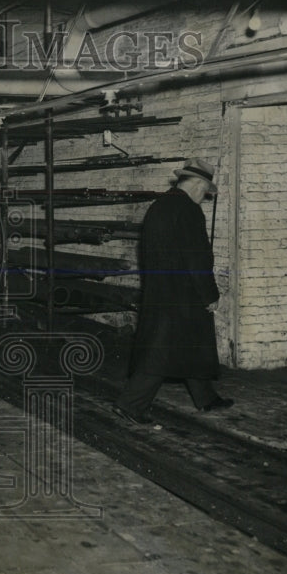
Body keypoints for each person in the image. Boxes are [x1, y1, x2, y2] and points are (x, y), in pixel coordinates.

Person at [113, 158, 233, 424]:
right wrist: (210, 294)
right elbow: (198, 259)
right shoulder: (189, 211)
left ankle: (206, 398)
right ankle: (130, 404)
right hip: (183, 293)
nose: (205, 197)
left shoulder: (158, 207)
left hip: (160, 290)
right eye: (205, 190)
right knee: (162, 350)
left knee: (191, 343)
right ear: (198, 184)